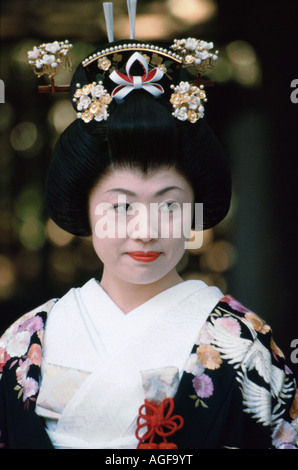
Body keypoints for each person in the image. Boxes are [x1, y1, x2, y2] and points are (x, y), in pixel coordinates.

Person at [0, 7, 297, 448]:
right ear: (85, 208)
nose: (145, 230)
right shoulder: (25, 341)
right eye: (120, 207)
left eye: (169, 205)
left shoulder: (246, 343)